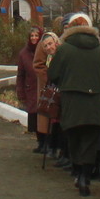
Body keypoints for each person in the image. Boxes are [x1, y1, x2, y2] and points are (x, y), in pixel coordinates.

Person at [47, 12, 100, 194]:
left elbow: (53, 75)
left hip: (72, 101)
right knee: (90, 141)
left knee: (74, 138)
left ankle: (78, 173)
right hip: (95, 103)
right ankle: (85, 176)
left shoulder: (64, 49)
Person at [32, 31, 62, 160]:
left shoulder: (63, 51)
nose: (49, 47)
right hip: (50, 89)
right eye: (46, 45)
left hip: (62, 89)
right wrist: (48, 81)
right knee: (51, 118)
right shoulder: (46, 52)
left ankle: (59, 148)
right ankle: (51, 146)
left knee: (59, 121)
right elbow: (38, 65)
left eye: (50, 44)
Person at [15, 27, 45, 150]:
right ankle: (40, 142)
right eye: (32, 36)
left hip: (44, 88)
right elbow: (20, 74)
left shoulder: (46, 50)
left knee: (45, 116)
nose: (34, 38)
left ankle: (48, 143)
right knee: (35, 117)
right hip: (31, 89)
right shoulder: (24, 54)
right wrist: (21, 92)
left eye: (36, 36)